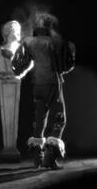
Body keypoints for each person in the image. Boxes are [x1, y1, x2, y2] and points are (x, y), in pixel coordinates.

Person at [12, 13, 76, 169]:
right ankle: (49, 159)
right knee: (60, 119)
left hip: (37, 85)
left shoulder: (28, 42)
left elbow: (20, 64)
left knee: (40, 120)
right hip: (53, 83)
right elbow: (67, 64)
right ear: (50, 26)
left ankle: (37, 159)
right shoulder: (56, 42)